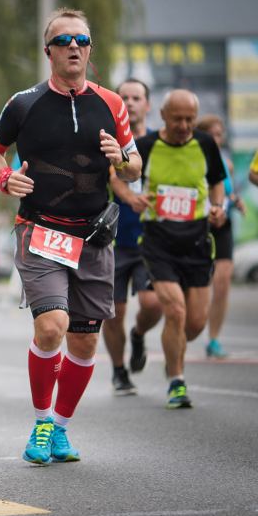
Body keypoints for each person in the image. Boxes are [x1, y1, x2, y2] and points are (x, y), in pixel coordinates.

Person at [0, 7, 142, 465]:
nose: (74, 46)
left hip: (93, 236)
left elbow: (134, 166)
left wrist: (122, 159)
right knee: (52, 325)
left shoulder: (111, 103)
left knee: (86, 341)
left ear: (90, 51)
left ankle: (62, 428)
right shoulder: (24, 103)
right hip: (41, 230)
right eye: (64, 39)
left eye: (82, 40)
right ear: (48, 50)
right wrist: (6, 177)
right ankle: (42, 423)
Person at [138, 90, 226, 408]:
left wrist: (218, 206)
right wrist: (134, 197)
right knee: (175, 311)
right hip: (158, 241)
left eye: (190, 119)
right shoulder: (147, 146)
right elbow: (121, 178)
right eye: (178, 119)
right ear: (163, 116)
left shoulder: (204, 143)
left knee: (195, 323)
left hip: (198, 242)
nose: (185, 125)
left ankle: (173, 352)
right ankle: (176, 381)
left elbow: (217, 181)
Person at [101, 78, 163, 396]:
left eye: (136, 97)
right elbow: (110, 179)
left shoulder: (159, 142)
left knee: (154, 303)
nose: (130, 102)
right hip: (114, 239)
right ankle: (119, 371)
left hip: (152, 239)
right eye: (123, 97)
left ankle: (139, 335)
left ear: (147, 104)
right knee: (114, 313)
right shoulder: (107, 141)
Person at [196, 114, 245, 359]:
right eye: (211, 134)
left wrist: (236, 201)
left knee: (223, 281)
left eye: (219, 134)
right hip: (198, 224)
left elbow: (227, 192)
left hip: (222, 224)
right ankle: (192, 324)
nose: (216, 138)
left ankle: (214, 339)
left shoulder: (227, 162)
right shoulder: (193, 159)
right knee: (200, 283)